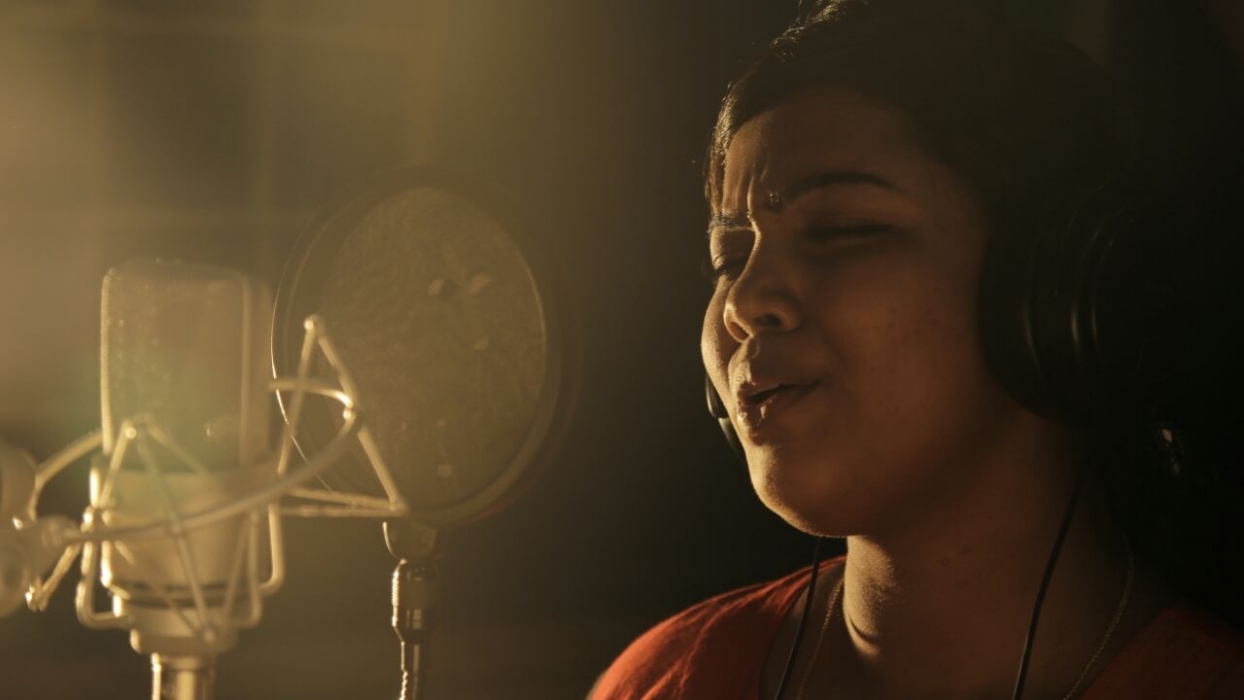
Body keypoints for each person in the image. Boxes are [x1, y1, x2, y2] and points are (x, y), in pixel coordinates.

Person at [592, 1, 1244, 698]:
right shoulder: (665, 680)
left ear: (1055, 291)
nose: (744, 302)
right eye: (729, 257)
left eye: (841, 229)